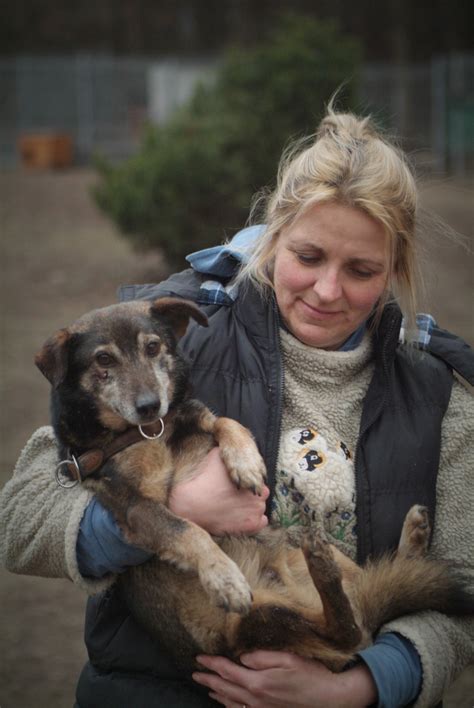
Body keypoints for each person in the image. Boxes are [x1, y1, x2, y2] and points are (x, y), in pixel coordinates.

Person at [1, 108, 473, 708]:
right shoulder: (169, 339)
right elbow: (19, 520)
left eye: (360, 270)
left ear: (395, 269)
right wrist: (164, 513)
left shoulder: (441, 394)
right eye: (307, 256)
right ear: (272, 240)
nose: (327, 291)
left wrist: (364, 685)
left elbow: (464, 589)